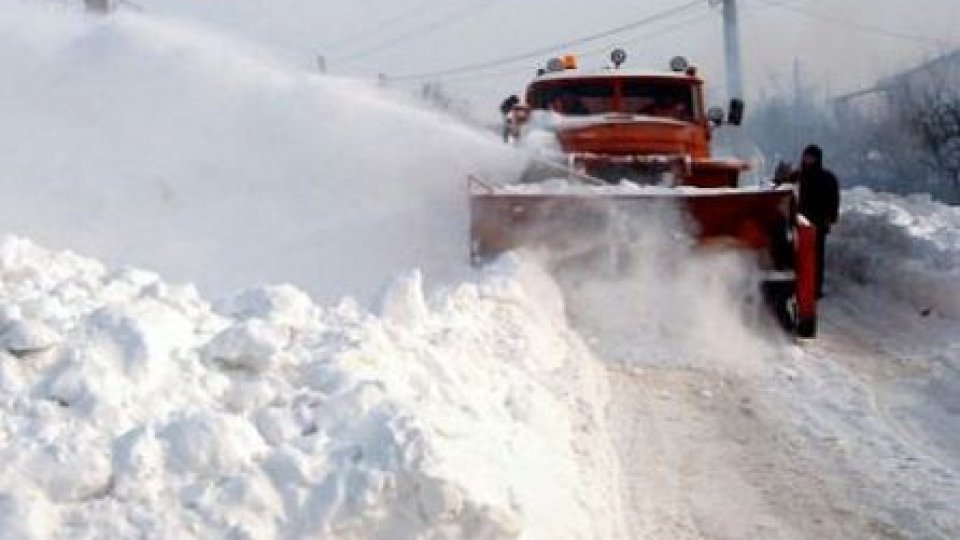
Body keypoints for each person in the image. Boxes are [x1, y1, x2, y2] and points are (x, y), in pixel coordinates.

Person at [775, 145, 841, 298]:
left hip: (818, 222)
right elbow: (781, 183)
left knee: (816, 257)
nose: (808, 160)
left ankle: (815, 289)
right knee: (800, 255)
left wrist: (831, 217)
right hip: (801, 221)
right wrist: (779, 177)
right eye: (806, 156)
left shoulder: (827, 178)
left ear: (818, 159)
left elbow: (834, 200)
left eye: (811, 157)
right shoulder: (800, 175)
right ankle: (802, 286)